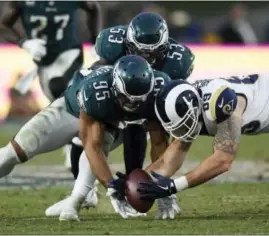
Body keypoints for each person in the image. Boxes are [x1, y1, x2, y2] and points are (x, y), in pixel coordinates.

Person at [0, 55, 174, 221]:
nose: (134, 105)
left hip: (112, 121)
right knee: (18, 150)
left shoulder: (157, 89)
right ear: (116, 88)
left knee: (105, 142)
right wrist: (113, 188)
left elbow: (159, 144)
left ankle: (74, 202)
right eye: (128, 99)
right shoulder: (96, 91)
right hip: (71, 110)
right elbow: (90, 147)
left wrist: (162, 185)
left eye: (139, 100)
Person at [58, 12, 195, 217]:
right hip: (116, 95)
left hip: (148, 94)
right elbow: (97, 73)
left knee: (150, 130)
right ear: (128, 42)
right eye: (138, 50)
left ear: (164, 47)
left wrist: (163, 184)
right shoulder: (110, 44)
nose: (144, 58)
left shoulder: (177, 62)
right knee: (90, 140)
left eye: (151, 53)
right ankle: (82, 193)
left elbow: (162, 139)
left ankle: (134, 184)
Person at [135, 75, 269, 216]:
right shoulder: (191, 105)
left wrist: (174, 186)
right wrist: (136, 184)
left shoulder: (220, 101)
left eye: (183, 124)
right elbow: (171, 157)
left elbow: (223, 160)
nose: (182, 131)